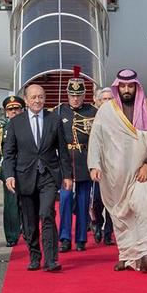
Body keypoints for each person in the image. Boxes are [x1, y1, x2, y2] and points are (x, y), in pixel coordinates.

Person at [87, 69, 147, 271]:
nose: (127, 90)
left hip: (144, 173)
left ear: (136, 86)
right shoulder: (106, 111)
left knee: (146, 212)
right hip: (115, 175)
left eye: (130, 86)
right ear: (117, 87)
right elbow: (96, 139)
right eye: (123, 86)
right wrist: (94, 164)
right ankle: (127, 255)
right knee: (121, 216)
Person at [2, 83, 71, 271]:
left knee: (46, 214)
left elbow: (63, 151)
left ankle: (51, 259)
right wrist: (8, 175)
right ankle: (34, 256)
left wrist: (68, 176)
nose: (37, 100)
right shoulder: (16, 123)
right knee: (30, 219)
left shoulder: (54, 120)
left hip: (48, 175)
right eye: (33, 97)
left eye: (40, 96)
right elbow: (9, 154)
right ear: (26, 99)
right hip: (25, 177)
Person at [56, 67, 97, 252]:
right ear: (67, 94)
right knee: (64, 200)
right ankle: (64, 237)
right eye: (72, 95)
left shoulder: (92, 111)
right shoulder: (58, 111)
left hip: (84, 161)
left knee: (82, 202)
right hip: (65, 162)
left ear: (84, 94)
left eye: (78, 95)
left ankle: (81, 238)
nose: (75, 98)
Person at [0, 95, 25, 247]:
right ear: (6, 112)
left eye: (17, 108)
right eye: (11, 109)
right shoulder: (1, 130)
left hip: (26, 170)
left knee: (26, 202)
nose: (14, 111)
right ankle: (11, 235)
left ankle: (26, 229)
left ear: (22, 110)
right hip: (9, 171)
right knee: (11, 204)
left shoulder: (28, 126)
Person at [90, 87, 116, 245]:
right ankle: (97, 223)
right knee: (98, 201)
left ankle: (108, 233)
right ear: (98, 101)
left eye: (109, 99)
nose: (106, 102)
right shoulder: (92, 118)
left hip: (115, 167)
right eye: (103, 99)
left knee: (112, 203)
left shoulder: (119, 118)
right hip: (99, 166)